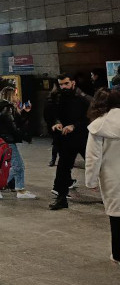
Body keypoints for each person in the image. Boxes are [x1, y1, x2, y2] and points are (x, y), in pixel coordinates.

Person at [85, 88, 120, 266]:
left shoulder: (98, 126)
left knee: (116, 215)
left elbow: (93, 157)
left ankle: (118, 254)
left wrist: (91, 181)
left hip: (113, 177)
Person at [45, 73, 91, 210]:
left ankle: (112, 195)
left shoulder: (83, 98)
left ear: (73, 83)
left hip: (83, 138)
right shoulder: (56, 98)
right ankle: (61, 198)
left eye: (66, 83)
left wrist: (74, 126)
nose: (63, 87)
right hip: (66, 139)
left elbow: (90, 118)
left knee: (98, 166)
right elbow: (51, 115)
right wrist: (56, 123)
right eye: (61, 84)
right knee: (63, 169)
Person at [0, 87, 37, 200]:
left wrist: (24, 112)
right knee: (18, 166)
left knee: (17, 166)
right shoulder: (7, 108)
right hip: (7, 140)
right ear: (10, 96)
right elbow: (12, 127)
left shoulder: (4, 107)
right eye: (15, 95)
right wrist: (25, 137)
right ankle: (8, 187)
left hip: (4, 140)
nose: (17, 97)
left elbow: (16, 122)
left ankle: (14, 188)